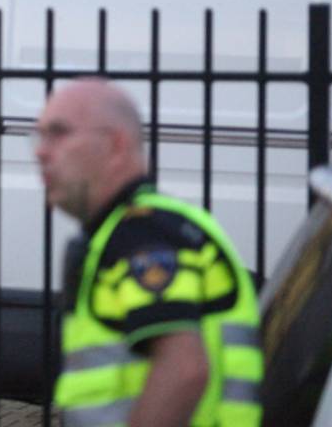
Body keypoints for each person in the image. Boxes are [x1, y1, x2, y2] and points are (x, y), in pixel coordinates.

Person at [35, 79, 262, 427]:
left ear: (114, 145)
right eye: (39, 137)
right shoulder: (137, 230)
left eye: (59, 133)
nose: (41, 152)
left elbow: (184, 369)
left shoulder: (144, 234)